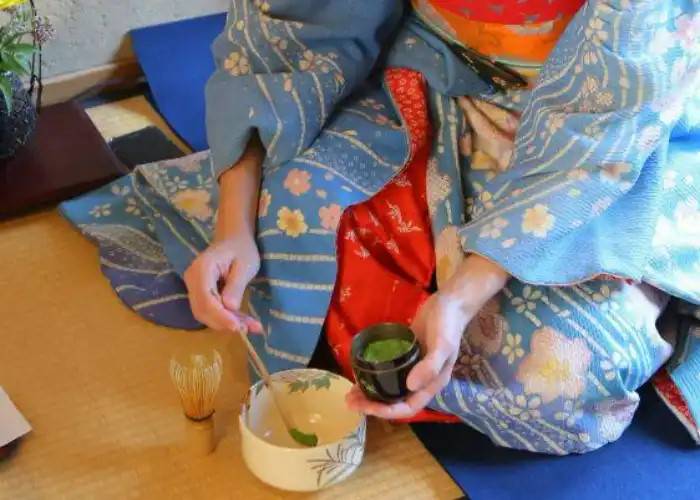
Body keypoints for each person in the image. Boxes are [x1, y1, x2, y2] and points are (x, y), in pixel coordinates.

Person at [62, 0, 700, 454]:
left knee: (551, 378)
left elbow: (602, 124)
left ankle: (650, 291)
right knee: (294, 219)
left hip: (604, 131)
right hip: (440, 73)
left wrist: (460, 294)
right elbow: (291, 34)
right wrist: (233, 225)